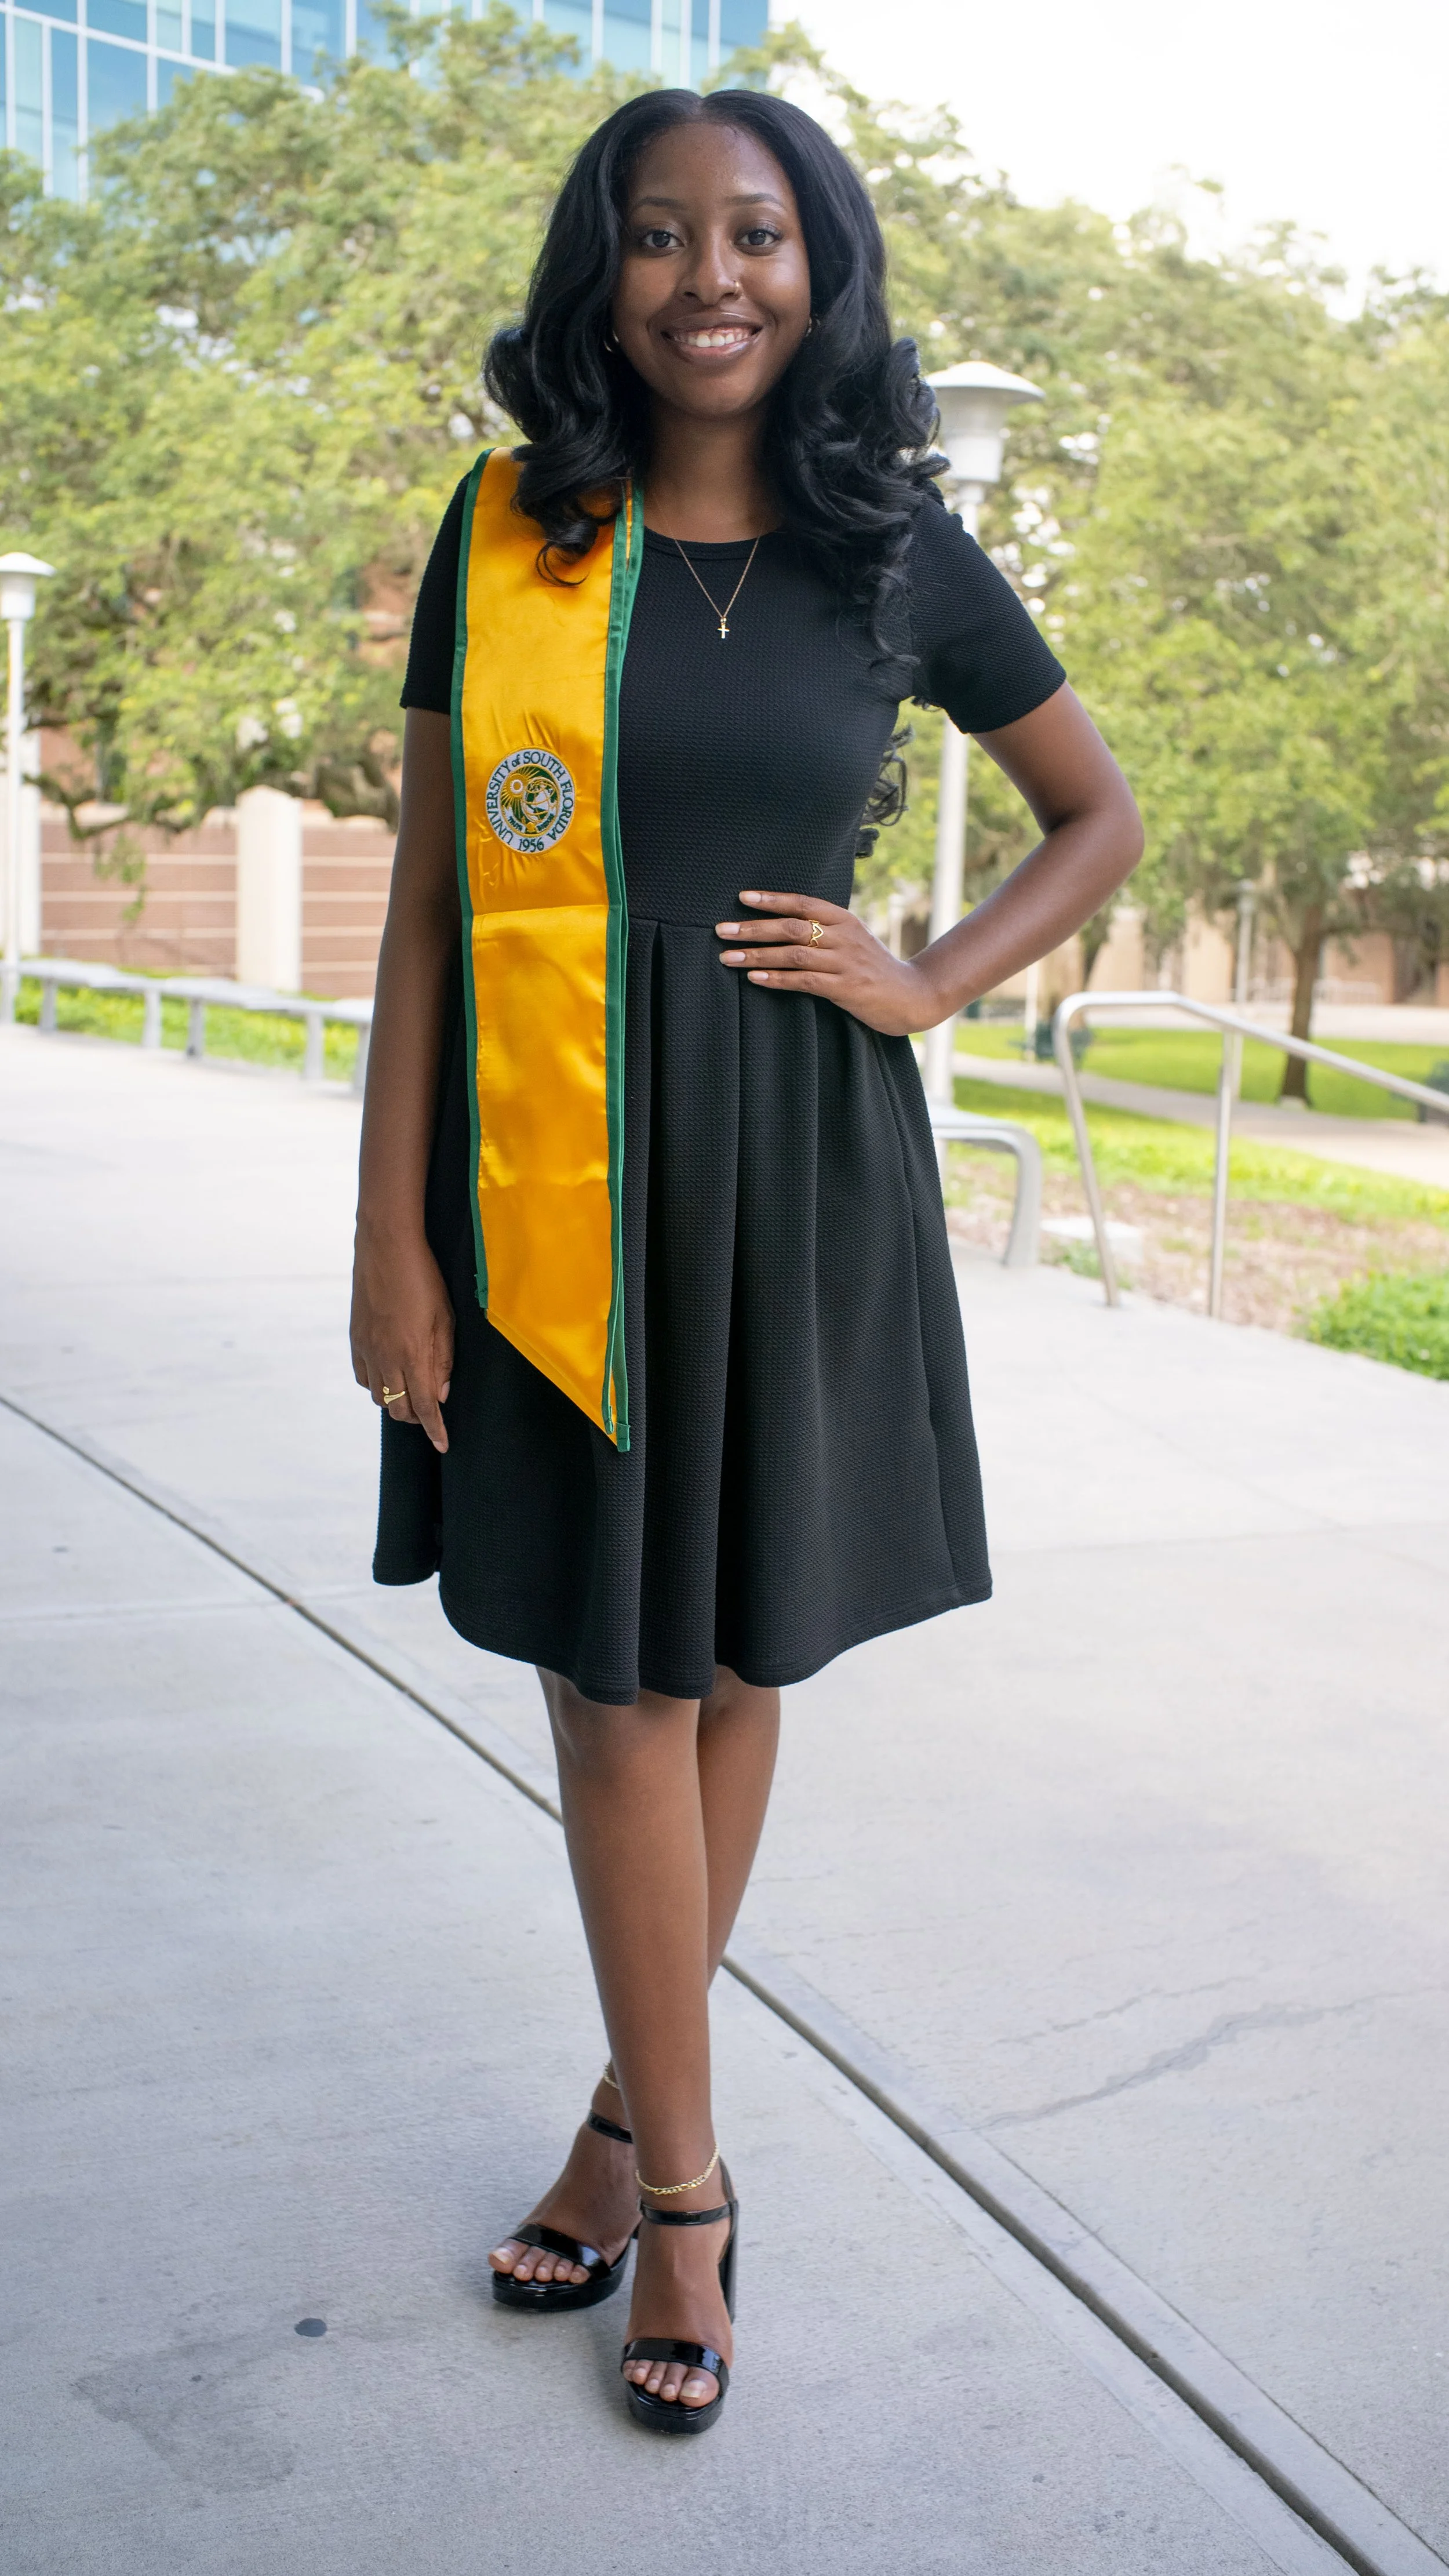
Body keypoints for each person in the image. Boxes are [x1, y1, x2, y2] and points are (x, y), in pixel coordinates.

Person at [349, 86, 1141, 2436]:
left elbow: (1093, 815)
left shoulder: (885, 547)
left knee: (724, 1658)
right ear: (600, 272)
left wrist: (924, 979)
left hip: (793, 1172)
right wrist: (388, 1238)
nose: (713, 273)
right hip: (547, 1188)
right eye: (663, 234)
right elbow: (418, 917)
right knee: (609, 1684)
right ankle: (688, 2192)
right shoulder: (505, 536)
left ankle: (625, 2130)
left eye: (759, 234)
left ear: (823, 271)